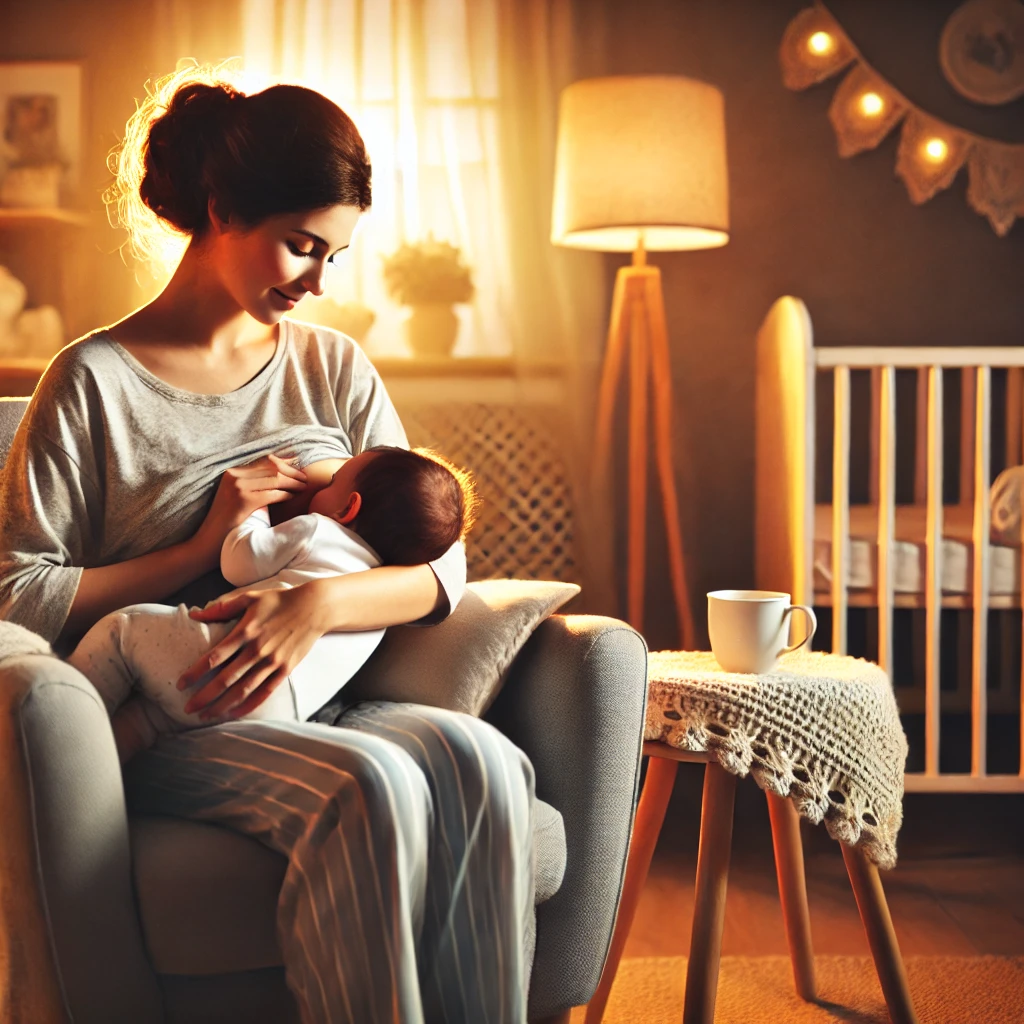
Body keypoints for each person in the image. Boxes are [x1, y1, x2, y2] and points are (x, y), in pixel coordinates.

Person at [0, 65, 536, 1024]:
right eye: (301, 246)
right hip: (180, 718)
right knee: (366, 787)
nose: (319, 281)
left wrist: (317, 605)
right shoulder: (91, 382)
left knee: (485, 764)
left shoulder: (335, 367)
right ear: (219, 210)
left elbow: (440, 562)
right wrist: (198, 545)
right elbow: (19, 591)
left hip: (323, 692)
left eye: (334, 256)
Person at [67, 445, 480, 764]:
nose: (326, 481)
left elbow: (240, 560)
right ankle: (100, 762)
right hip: (279, 713)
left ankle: (60, 731)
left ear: (348, 506)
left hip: (216, 657)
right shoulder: (376, 599)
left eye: (335, 478)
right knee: (151, 722)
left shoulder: (319, 530)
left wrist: (255, 510)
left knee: (121, 631)